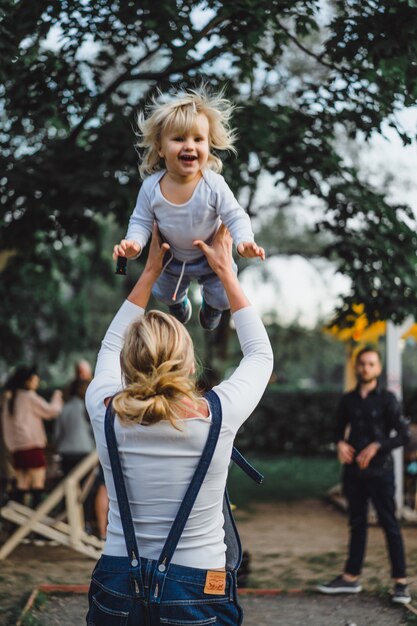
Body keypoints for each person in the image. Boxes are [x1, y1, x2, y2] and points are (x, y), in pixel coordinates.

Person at [86, 224, 273, 624]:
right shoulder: (217, 416)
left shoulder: (104, 410)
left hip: (118, 582)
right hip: (197, 586)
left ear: (126, 365)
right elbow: (260, 355)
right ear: (189, 364)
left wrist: (151, 271)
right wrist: (226, 272)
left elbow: (109, 344)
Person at [112, 85, 265, 331]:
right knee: (164, 293)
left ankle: (211, 307)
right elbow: (140, 221)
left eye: (198, 139)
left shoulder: (213, 185)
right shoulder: (152, 187)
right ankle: (178, 303)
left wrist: (244, 242)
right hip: (172, 258)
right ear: (161, 148)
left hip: (210, 257)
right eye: (179, 139)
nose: (189, 146)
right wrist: (134, 244)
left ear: (209, 145)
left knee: (223, 297)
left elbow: (235, 216)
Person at [317, 347, 411, 605]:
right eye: (362, 364)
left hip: (380, 473)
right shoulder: (348, 400)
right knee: (357, 524)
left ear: (378, 369)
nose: (366, 368)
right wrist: (340, 443)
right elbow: (337, 430)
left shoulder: (388, 400)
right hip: (354, 473)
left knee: (390, 525)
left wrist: (377, 445)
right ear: (357, 367)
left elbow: (404, 435)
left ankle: (400, 583)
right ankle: (350, 577)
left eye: (371, 364)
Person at [2, 366, 63, 508]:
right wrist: (57, 396)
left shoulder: (10, 398)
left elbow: (6, 428)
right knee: (37, 484)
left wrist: (12, 445)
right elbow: (51, 411)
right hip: (32, 446)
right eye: (35, 380)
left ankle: (16, 522)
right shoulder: (29, 397)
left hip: (17, 448)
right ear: (27, 381)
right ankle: (35, 523)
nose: (37, 383)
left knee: (21, 484)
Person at [54, 379, 95, 476]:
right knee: (85, 486)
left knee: (69, 483)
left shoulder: (64, 408)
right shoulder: (87, 407)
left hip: (66, 452)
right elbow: (94, 432)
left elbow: (57, 433)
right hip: (85, 450)